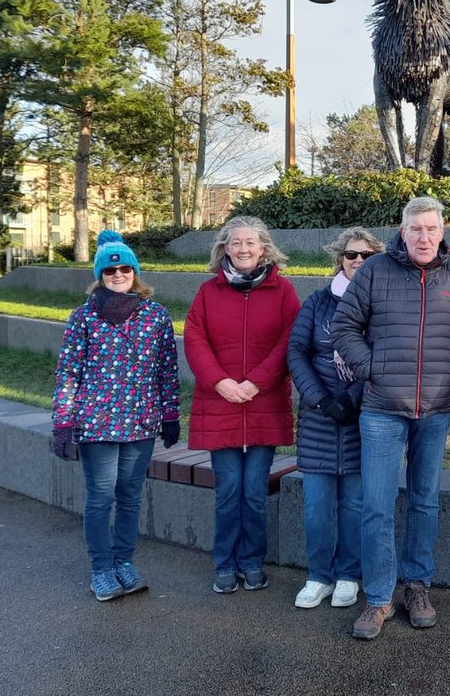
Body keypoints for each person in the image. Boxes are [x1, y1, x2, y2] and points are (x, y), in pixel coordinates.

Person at [332, 196, 450, 640]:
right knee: (376, 504)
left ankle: (416, 586)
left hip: (435, 409)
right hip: (381, 410)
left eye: (432, 229)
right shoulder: (374, 271)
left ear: (443, 231)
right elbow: (343, 328)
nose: (425, 237)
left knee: (425, 500)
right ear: (403, 231)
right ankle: (378, 598)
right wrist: (373, 369)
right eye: (417, 229)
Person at [51, 230, 182, 602]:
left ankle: (124, 561)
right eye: (111, 271)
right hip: (97, 424)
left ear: (135, 271)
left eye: (126, 268)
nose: (119, 274)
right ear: (100, 275)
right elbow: (68, 373)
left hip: (141, 422)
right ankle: (102, 570)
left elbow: (166, 370)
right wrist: (63, 421)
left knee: (129, 497)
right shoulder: (83, 318)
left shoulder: (156, 316)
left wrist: (170, 413)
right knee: (100, 498)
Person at [184, 216, 301, 595]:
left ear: (263, 247)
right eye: (236, 243)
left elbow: (289, 342)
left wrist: (256, 382)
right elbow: (195, 340)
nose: (244, 249)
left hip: (263, 403)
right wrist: (221, 382)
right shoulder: (207, 292)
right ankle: (225, 564)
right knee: (228, 490)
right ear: (225, 248)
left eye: (251, 242)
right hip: (221, 405)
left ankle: (252, 562)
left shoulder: (283, 292)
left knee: (254, 492)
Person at [286, 226, 385, 611]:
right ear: (339, 259)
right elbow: (296, 352)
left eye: (365, 255)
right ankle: (318, 575)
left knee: (355, 505)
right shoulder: (317, 302)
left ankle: (348, 574)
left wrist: (352, 398)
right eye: (350, 255)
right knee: (317, 506)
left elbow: (383, 356)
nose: (357, 261)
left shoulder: (382, 304)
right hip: (319, 418)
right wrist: (323, 399)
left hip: (363, 416)